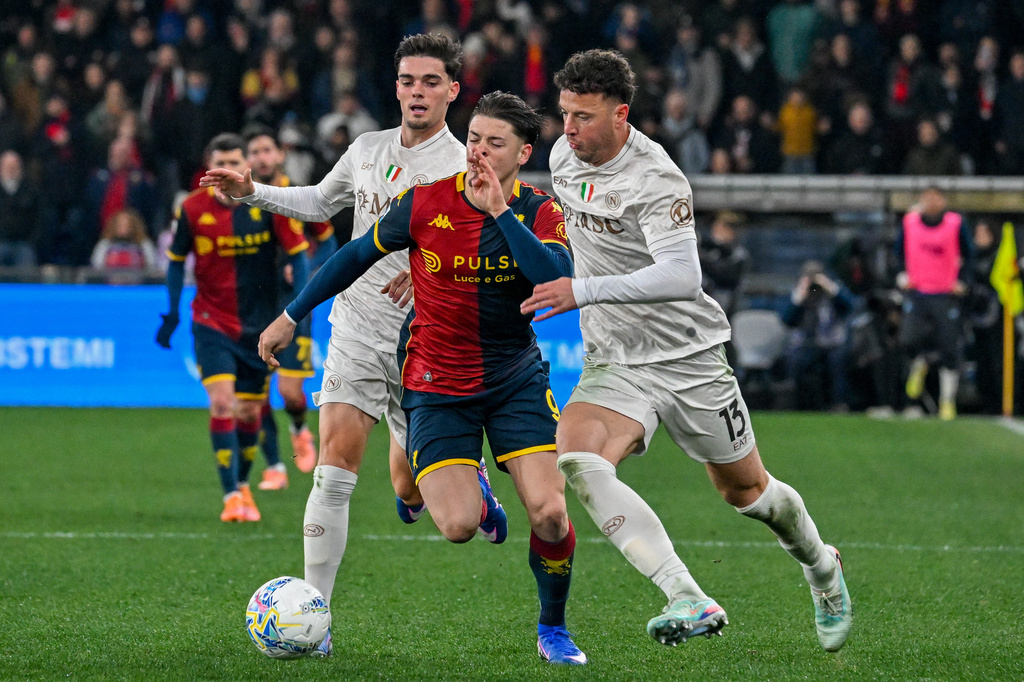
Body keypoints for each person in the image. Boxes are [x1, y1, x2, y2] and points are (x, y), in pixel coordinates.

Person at [520, 49, 852, 652]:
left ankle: (823, 568)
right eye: (564, 114)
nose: (567, 130)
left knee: (746, 494)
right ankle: (686, 595)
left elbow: (682, 277)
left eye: (584, 117)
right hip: (616, 358)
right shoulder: (564, 155)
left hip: (688, 357)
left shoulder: (657, 178)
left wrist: (582, 291)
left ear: (621, 115)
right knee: (577, 457)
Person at [256, 91, 587, 665]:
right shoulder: (425, 202)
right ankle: (478, 501)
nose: (479, 151)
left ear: (523, 153)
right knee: (456, 526)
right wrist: (291, 315)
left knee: (551, 513)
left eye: (496, 143)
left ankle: (553, 628)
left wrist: (499, 214)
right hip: (436, 384)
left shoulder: (539, 210)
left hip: (513, 380)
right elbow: (354, 255)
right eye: (475, 138)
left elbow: (552, 281)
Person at [198, 33, 477, 657]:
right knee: (333, 468)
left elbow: (483, 249)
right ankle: (315, 625)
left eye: (431, 82)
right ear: (396, 85)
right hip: (354, 326)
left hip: (424, 339)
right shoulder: (368, 149)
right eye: (408, 80)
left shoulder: (464, 166)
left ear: (453, 91)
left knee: (409, 488)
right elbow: (323, 204)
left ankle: (463, 482)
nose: (417, 92)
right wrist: (254, 193)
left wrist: (436, 268)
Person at [156, 132, 309, 523]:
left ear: (245, 167)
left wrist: (297, 308)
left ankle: (241, 485)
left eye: (234, 164)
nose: (226, 173)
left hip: (259, 328)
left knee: (247, 412)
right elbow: (175, 261)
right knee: (222, 403)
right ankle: (230, 495)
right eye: (218, 164)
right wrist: (172, 312)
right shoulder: (191, 209)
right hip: (211, 322)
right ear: (209, 169)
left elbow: (298, 253)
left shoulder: (269, 202)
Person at [244, 125, 338, 488]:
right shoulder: (242, 200)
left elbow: (328, 244)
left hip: (292, 303)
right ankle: (275, 467)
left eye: (268, 150)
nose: (262, 157)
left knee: (289, 392)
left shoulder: (297, 198)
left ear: (280, 155)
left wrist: (310, 274)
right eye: (254, 151)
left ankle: (299, 425)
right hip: (253, 304)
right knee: (255, 392)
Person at [898, 186, 972, 420]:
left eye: (935, 198)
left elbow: (969, 255)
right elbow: (897, 252)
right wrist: (900, 274)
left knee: (949, 347)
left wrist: (963, 282)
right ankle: (919, 366)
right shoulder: (909, 223)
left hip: (945, 292)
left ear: (943, 201)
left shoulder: (955, 224)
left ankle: (947, 401)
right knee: (909, 339)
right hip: (918, 291)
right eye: (926, 198)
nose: (931, 202)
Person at [781, 260, 856, 411]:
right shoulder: (798, 294)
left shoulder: (832, 294)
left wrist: (828, 286)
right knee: (796, 360)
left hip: (831, 343)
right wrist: (800, 296)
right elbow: (787, 320)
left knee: (838, 360)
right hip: (805, 344)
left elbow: (848, 307)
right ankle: (797, 404)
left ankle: (839, 404)